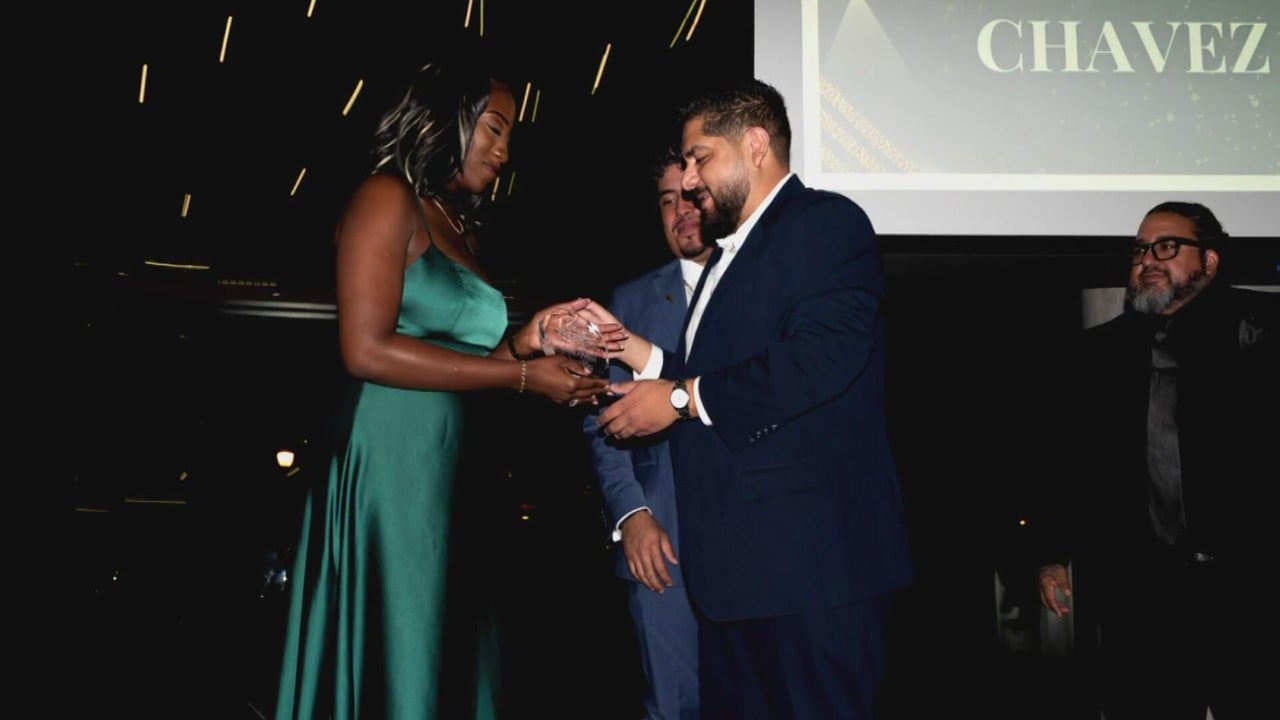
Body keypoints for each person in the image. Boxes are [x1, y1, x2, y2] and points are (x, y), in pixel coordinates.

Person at [272, 61, 617, 720]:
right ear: (447, 120)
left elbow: (465, 363)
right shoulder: (385, 196)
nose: (504, 151)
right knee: (401, 640)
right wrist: (522, 375)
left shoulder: (457, 224)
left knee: (440, 652)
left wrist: (529, 342)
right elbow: (364, 349)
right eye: (494, 129)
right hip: (391, 458)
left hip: (450, 464)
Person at [595, 78, 914, 719]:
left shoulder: (824, 223)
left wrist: (678, 400)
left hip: (811, 578)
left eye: (699, 158)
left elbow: (820, 360)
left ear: (756, 145)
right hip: (735, 582)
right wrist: (629, 346)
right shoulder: (725, 260)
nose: (689, 180)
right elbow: (714, 376)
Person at [1035, 201, 1278, 720]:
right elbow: (1065, 462)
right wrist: (1051, 552)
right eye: (1140, 249)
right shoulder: (1096, 354)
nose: (1147, 259)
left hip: (1254, 593)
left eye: (1167, 247)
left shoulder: (1264, 332)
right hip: (1142, 601)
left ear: (1209, 261)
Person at [584, 144, 711, 720]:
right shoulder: (629, 301)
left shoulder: (759, 285)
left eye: (690, 196)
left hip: (758, 542)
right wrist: (632, 516)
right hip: (663, 549)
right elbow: (601, 421)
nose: (680, 210)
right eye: (666, 201)